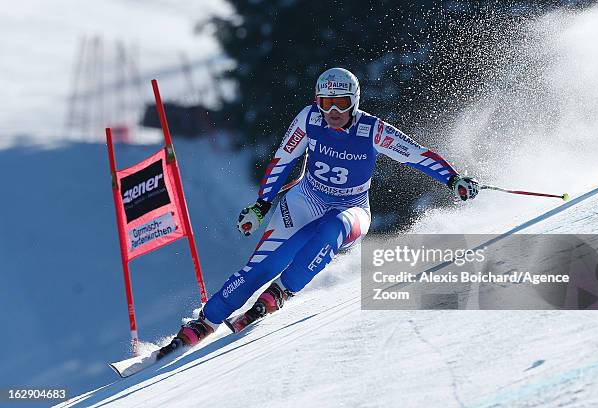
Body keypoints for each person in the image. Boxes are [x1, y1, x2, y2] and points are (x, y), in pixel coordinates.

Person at [158, 67, 478, 357]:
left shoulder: (372, 130)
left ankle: (282, 292)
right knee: (260, 268)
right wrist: (261, 205)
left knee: (332, 230)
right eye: (326, 103)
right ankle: (203, 323)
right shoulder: (309, 118)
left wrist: (452, 179)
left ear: (354, 102)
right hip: (305, 200)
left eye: (341, 104)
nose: (333, 112)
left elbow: (414, 154)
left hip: (351, 208)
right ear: (318, 101)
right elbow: (283, 161)